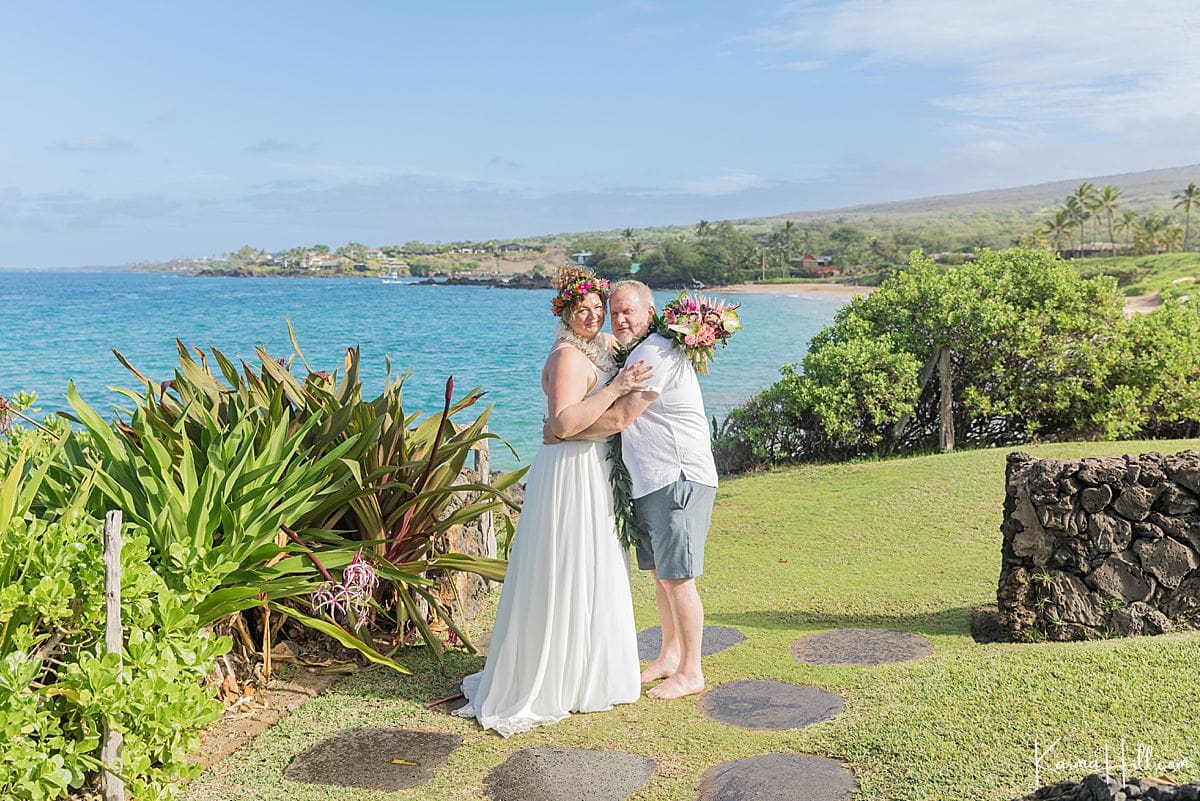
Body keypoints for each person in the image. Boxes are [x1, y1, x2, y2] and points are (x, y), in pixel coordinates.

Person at [454, 266, 651, 736]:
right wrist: (617, 388)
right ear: (564, 312)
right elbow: (563, 424)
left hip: (597, 467)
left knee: (596, 563)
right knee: (569, 564)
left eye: (597, 307)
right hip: (572, 471)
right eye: (581, 309)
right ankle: (559, 676)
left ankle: (592, 668)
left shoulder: (602, 345)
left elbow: (639, 343)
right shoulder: (567, 356)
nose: (592, 315)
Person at [550, 279, 717, 700]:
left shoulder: (654, 351)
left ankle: (692, 670)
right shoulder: (634, 349)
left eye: (629, 311)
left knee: (678, 578)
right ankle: (668, 656)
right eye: (616, 310)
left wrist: (562, 433)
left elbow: (621, 418)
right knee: (662, 576)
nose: (620, 318)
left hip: (677, 476)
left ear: (649, 312)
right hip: (650, 480)